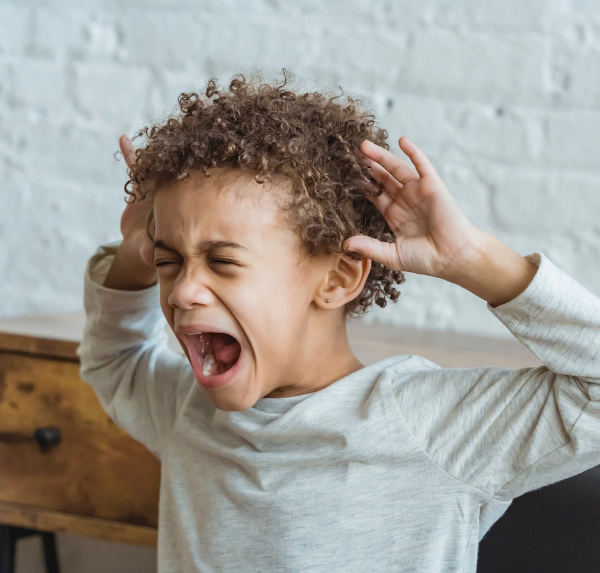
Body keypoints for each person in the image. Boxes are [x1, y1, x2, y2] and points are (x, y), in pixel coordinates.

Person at [78, 74, 600, 573]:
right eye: (168, 262)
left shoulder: (427, 426)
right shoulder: (185, 413)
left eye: (223, 262)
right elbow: (114, 360)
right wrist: (134, 252)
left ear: (337, 278)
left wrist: (471, 259)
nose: (184, 289)